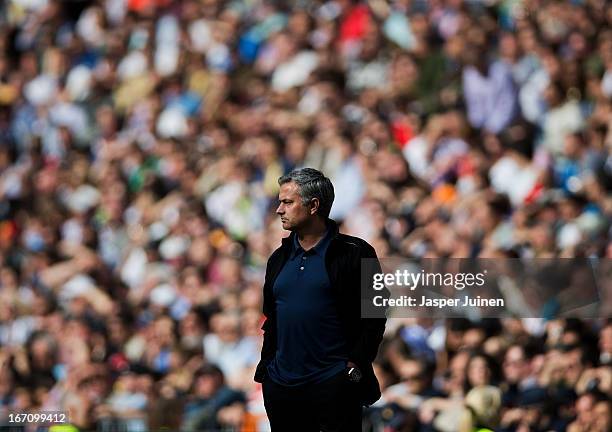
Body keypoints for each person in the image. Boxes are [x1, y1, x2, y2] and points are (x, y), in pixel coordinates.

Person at [254, 168, 388, 431]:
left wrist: (354, 365)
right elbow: (272, 319)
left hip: (333, 384)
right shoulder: (278, 259)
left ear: (314, 205)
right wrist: (267, 371)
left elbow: (376, 313)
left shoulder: (358, 252)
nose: (279, 209)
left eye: (288, 202)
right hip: (282, 386)